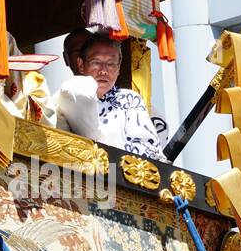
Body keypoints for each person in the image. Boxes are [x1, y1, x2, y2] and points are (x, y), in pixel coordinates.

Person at [55, 32, 166, 161]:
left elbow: (149, 149)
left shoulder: (129, 100)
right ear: (81, 65)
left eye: (111, 64)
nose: (103, 71)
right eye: (96, 62)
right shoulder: (64, 98)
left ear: (118, 68)